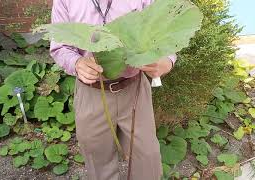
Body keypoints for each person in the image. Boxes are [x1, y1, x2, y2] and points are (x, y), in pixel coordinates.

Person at [50, 0, 176, 179]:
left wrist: (166, 59)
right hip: (91, 92)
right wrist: (77, 63)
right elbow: (60, 46)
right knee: (98, 163)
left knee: (147, 160)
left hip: (134, 89)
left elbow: (163, 31)